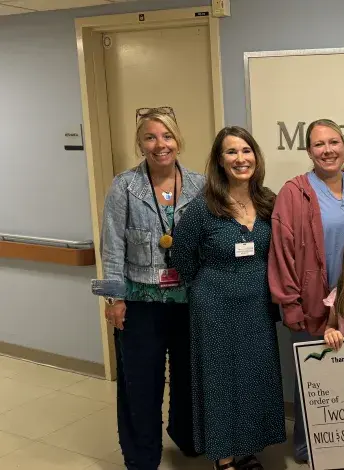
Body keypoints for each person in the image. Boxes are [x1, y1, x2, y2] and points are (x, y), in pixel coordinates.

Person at [90, 108, 201, 469]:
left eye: (166, 136)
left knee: (189, 377)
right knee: (141, 381)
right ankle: (141, 455)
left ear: (178, 139)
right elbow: (112, 246)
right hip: (141, 302)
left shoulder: (200, 185)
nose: (160, 145)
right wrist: (114, 298)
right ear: (140, 143)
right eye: (150, 138)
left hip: (188, 300)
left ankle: (187, 436)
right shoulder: (125, 186)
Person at [171, 126, 286, 470]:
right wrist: (210, 286)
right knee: (221, 382)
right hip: (215, 307)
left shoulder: (268, 201)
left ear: (256, 156)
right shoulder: (203, 207)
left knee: (254, 378)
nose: (240, 158)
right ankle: (224, 458)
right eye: (231, 152)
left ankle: (247, 448)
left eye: (246, 150)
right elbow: (181, 256)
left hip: (258, 308)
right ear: (220, 161)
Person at [268, 119, 344, 463]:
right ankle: (307, 444)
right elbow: (282, 251)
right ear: (309, 152)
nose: (328, 150)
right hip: (314, 303)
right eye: (319, 145)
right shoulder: (294, 193)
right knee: (314, 375)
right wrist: (290, 304)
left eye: (334, 142)